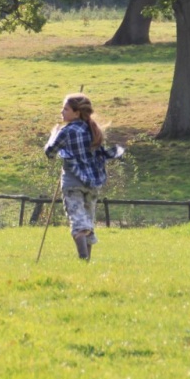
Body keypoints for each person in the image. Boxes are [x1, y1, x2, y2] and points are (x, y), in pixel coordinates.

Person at [43, 93, 125, 261]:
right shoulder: (93, 128)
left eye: (65, 109)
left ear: (76, 112)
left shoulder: (66, 131)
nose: (62, 112)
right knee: (88, 222)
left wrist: (53, 134)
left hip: (73, 182)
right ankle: (87, 263)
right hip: (93, 183)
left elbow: (50, 152)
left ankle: (82, 259)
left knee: (79, 225)